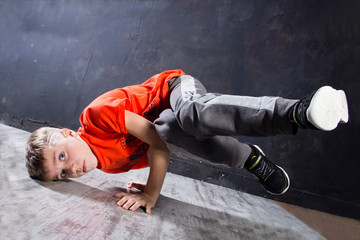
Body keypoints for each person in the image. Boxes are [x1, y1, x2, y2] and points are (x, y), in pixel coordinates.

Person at [25, 69, 349, 214]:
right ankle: (252, 160)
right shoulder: (108, 166)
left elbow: (154, 140)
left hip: (176, 90)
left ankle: (297, 112)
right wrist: (149, 188)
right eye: (63, 175)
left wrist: (152, 192)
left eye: (63, 157)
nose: (72, 170)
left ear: (68, 134)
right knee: (177, 131)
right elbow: (162, 141)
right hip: (168, 123)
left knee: (191, 115)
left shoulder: (95, 116)